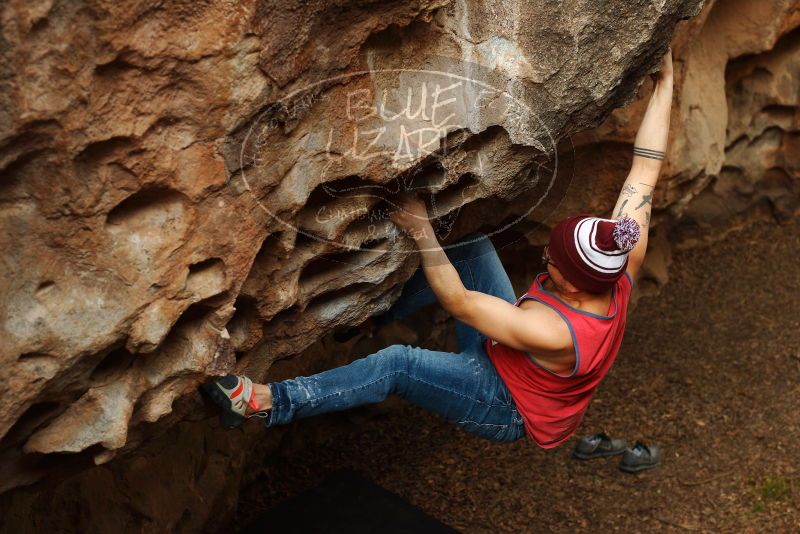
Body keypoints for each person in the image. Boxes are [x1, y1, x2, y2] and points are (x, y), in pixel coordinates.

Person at [201, 49, 673, 448]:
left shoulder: (553, 330)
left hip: (505, 403)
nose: (545, 259)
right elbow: (645, 169)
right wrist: (665, 80)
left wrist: (420, 228)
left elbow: (460, 303)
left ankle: (265, 403)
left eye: (554, 261)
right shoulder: (620, 256)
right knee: (472, 248)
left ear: (572, 284)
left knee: (398, 365)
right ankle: (373, 315)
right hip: (510, 355)